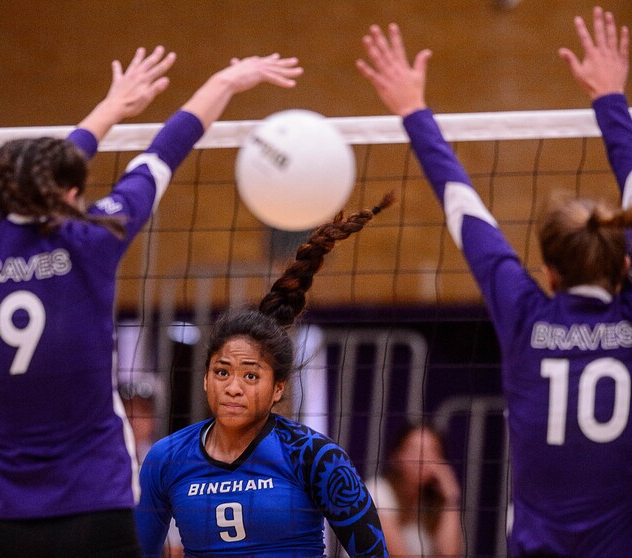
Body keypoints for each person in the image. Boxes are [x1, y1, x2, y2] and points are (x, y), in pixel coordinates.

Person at [0, 44, 303, 558]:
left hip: (2, 512)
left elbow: (38, 182)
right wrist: (225, 82)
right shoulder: (93, 239)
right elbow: (166, 150)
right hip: (94, 499)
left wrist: (112, 108)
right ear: (71, 193)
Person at [356, 8, 632, 557]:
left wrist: (412, 108)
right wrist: (611, 98)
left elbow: (464, 209)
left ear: (548, 272)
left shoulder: (526, 316)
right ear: (623, 265)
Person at [135, 196, 395, 558]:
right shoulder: (167, 457)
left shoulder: (314, 456)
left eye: (251, 376)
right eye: (222, 372)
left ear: (278, 389)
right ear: (206, 379)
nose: (233, 387)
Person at [365, 423, 463, 557]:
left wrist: (451, 498)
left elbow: (448, 553)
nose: (422, 458)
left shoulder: (433, 502)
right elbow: (399, 555)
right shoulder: (377, 491)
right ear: (397, 455)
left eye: (432, 451)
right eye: (414, 450)